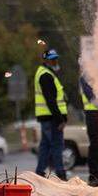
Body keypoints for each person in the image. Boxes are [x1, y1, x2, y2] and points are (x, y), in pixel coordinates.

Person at [34, 49, 68, 180]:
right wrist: (60, 119)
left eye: (56, 59)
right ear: (46, 61)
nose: (55, 61)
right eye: (52, 59)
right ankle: (61, 174)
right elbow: (51, 100)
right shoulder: (46, 75)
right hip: (52, 118)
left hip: (47, 117)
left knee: (46, 146)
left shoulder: (45, 73)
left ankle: (39, 172)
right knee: (56, 145)